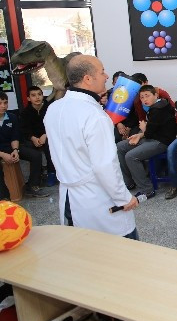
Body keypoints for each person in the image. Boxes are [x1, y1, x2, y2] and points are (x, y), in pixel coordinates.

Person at [44, 55, 138, 238]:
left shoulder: (54, 108)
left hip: (70, 198)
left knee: (82, 250)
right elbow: (105, 165)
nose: (106, 76)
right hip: (98, 201)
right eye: (102, 72)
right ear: (87, 78)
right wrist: (124, 198)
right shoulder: (94, 115)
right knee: (122, 252)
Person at [116, 84, 177, 200]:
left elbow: (149, 132)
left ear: (156, 95)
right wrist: (139, 134)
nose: (144, 99)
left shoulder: (159, 108)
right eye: (142, 97)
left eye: (147, 96)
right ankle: (129, 182)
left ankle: (147, 190)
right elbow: (150, 131)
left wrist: (143, 130)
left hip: (161, 142)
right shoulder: (155, 106)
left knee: (131, 156)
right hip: (150, 137)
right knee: (120, 146)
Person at [0, 92, 48, 199]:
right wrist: (2, 155)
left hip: (11, 147)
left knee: (36, 155)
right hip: (0, 151)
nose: (3, 106)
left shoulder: (12, 117)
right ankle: (4, 196)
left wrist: (15, 150)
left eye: (5, 103)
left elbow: (15, 136)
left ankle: (32, 186)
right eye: (0, 103)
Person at [19, 86, 56, 184]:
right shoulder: (25, 113)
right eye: (33, 95)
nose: (37, 97)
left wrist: (46, 134)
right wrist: (33, 138)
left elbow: (54, 124)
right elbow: (24, 129)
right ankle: (38, 175)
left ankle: (52, 172)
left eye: (39, 94)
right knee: (30, 148)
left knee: (49, 145)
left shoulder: (49, 109)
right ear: (28, 98)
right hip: (33, 138)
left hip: (48, 135)